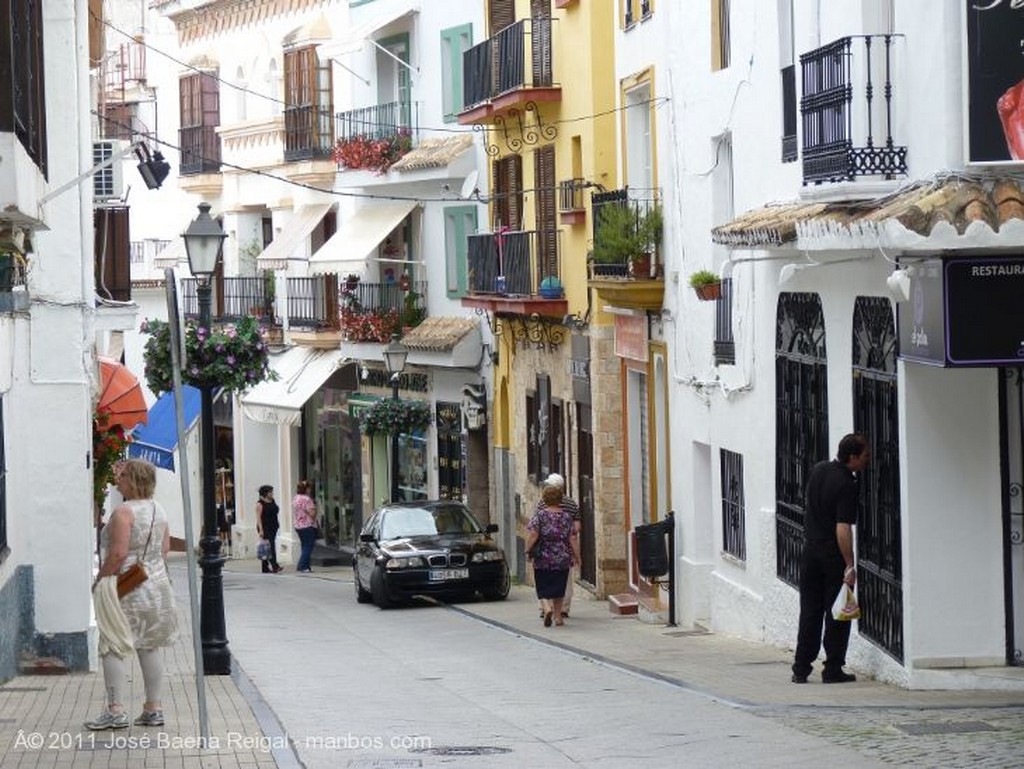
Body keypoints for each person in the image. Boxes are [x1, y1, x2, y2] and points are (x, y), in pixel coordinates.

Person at [86, 459, 178, 730]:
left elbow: (118, 553)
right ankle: (153, 708)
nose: (118, 480)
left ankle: (115, 710)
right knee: (148, 646)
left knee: (112, 645)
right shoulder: (157, 509)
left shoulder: (123, 512)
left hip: (125, 587)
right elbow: (165, 547)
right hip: (155, 586)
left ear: (135, 479)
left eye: (123, 476)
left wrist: (102, 580)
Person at [791, 433, 871, 685]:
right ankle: (833, 668)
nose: (867, 461)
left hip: (810, 551)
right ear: (852, 457)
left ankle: (800, 668)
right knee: (838, 612)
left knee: (809, 612)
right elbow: (842, 528)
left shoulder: (819, 469)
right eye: (865, 456)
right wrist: (849, 564)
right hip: (832, 555)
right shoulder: (847, 484)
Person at [526, 483, 580, 628]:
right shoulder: (566, 517)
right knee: (559, 587)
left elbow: (533, 534)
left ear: (544, 499)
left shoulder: (540, 516)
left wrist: (528, 550)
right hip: (562, 556)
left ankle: (546, 607)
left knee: (542, 585)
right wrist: (577, 556)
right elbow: (572, 538)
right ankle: (558, 617)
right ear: (560, 499)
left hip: (543, 555)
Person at [255, 485, 282, 574]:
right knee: (271, 547)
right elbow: (258, 518)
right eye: (270, 492)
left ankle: (265, 567)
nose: (272, 494)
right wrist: (261, 530)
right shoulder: (260, 504)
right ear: (265, 493)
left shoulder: (272, 501)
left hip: (273, 526)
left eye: (272, 492)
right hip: (265, 527)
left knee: (265, 547)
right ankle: (275, 566)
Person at [293, 479, 318, 573]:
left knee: (304, 545)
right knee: (308, 546)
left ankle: (306, 565)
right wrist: (315, 510)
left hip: (298, 525)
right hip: (308, 525)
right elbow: (312, 513)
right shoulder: (307, 499)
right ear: (306, 489)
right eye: (309, 488)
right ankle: (302, 565)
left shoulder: (296, 498)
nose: (310, 490)